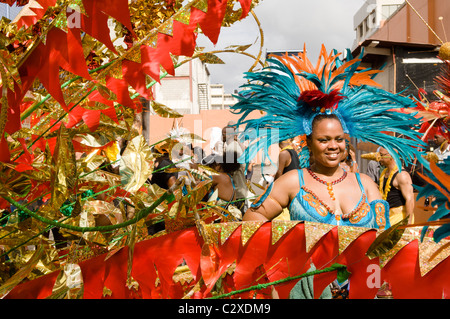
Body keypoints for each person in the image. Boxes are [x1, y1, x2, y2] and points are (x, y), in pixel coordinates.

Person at [231, 45, 424, 230]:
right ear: (309, 143)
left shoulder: (365, 183)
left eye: (339, 139)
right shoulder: (294, 181)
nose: (333, 146)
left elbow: (383, 234)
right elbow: (252, 219)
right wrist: (289, 246)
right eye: (324, 140)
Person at [378, 147, 415, 225]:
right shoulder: (384, 172)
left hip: (399, 218)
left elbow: (410, 199)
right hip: (386, 217)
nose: (378, 158)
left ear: (391, 155)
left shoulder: (402, 175)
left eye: (381, 155)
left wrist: (408, 223)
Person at [201, 152, 243, 220]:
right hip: (230, 219)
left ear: (217, 165)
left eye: (210, 167)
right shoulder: (228, 177)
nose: (208, 170)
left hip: (221, 220)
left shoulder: (217, 176)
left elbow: (198, 189)